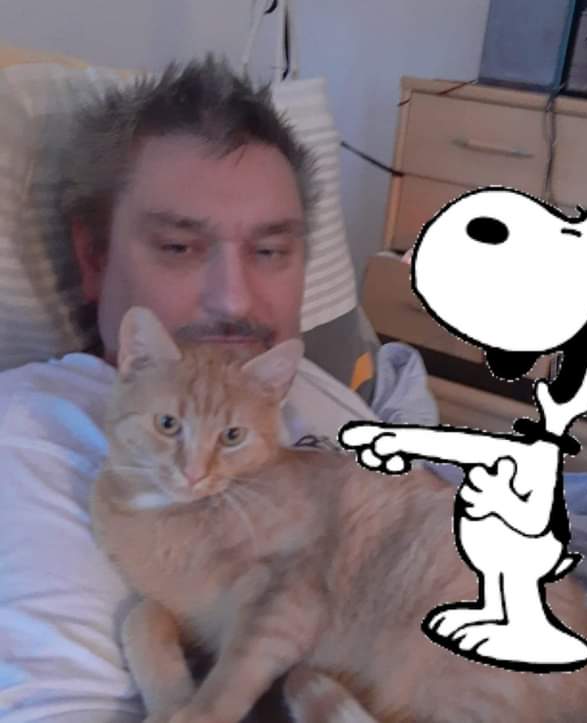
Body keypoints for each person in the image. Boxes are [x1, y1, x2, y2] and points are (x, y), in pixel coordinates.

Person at [0, 55, 438, 722]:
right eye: (179, 247)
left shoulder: (295, 377)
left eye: (269, 251)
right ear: (95, 259)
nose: (234, 299)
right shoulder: (40, 433)